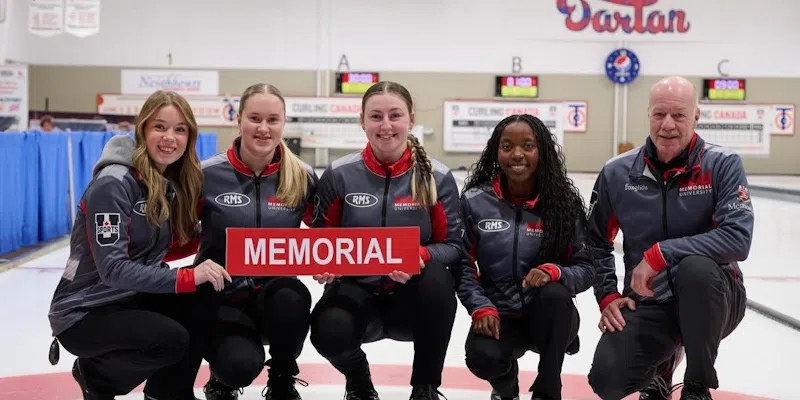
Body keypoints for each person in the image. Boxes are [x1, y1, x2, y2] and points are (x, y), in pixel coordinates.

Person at [47, 90, 231, 400]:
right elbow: (113, 269)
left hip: (129, 298)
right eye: (160, 127)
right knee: (170, 339)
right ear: (142, 129)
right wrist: (187, 275)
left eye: (180, 129)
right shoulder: (113, 183)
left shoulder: (164, 180)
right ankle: (95, 378)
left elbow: (159, 248)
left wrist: (221, 235)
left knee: (206, 292)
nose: (169, 137)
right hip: (85, 311)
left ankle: (168, 393)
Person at [586, 76, 751, 400]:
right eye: (659, 114)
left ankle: (697, 386)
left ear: (696, 116)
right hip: (650, 300)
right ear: (648, 114)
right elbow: (595, 241)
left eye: (678, 115)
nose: (668, 125)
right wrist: (607, 296)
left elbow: (737, 238)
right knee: (607, 381)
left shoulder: (722, 165)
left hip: (714, 297)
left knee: (695, 270)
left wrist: (660, 253)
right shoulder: (617, 172)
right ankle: (661, 370)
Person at [308, 81, 463, 400]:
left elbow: (453, 246)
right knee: (327, 332)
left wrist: (419, 255)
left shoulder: (437, 177)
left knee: (437, 280)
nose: (386, 125)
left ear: (411, 119)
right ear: (362, 121)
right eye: (376, 116)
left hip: (411, 299)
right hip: (355, 292)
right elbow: (321, 237)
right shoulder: (339, 175)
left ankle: (425, 387)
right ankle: (358, 381)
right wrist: (324, 262)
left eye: (395, 115)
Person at [166, 83, 318, 400]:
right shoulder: (206, 174)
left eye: (272, 120)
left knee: (293, 296)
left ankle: (282, 379)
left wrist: (334, 264)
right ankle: (221, 380)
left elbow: (329, 234)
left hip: (276, 301)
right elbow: (177, 236)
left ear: (283, 123)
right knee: (238, 365)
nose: (263, 128)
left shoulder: (302, 176)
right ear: (239, 120)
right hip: (221, 298)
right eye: (255, 118)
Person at [456, 114, 594, 400]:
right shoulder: (475, 201)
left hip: (549, 317)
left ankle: (548, 389)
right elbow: (462, 266)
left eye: (528, 146)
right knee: (482, 358)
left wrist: (557, 272)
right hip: (499, 314)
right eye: (507, 146)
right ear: (496, 152)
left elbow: (586, 267)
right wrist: (480, 307)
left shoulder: (563, 203)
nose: (517, 154)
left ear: (541, 151)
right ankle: (506, 390)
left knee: (555, 293)